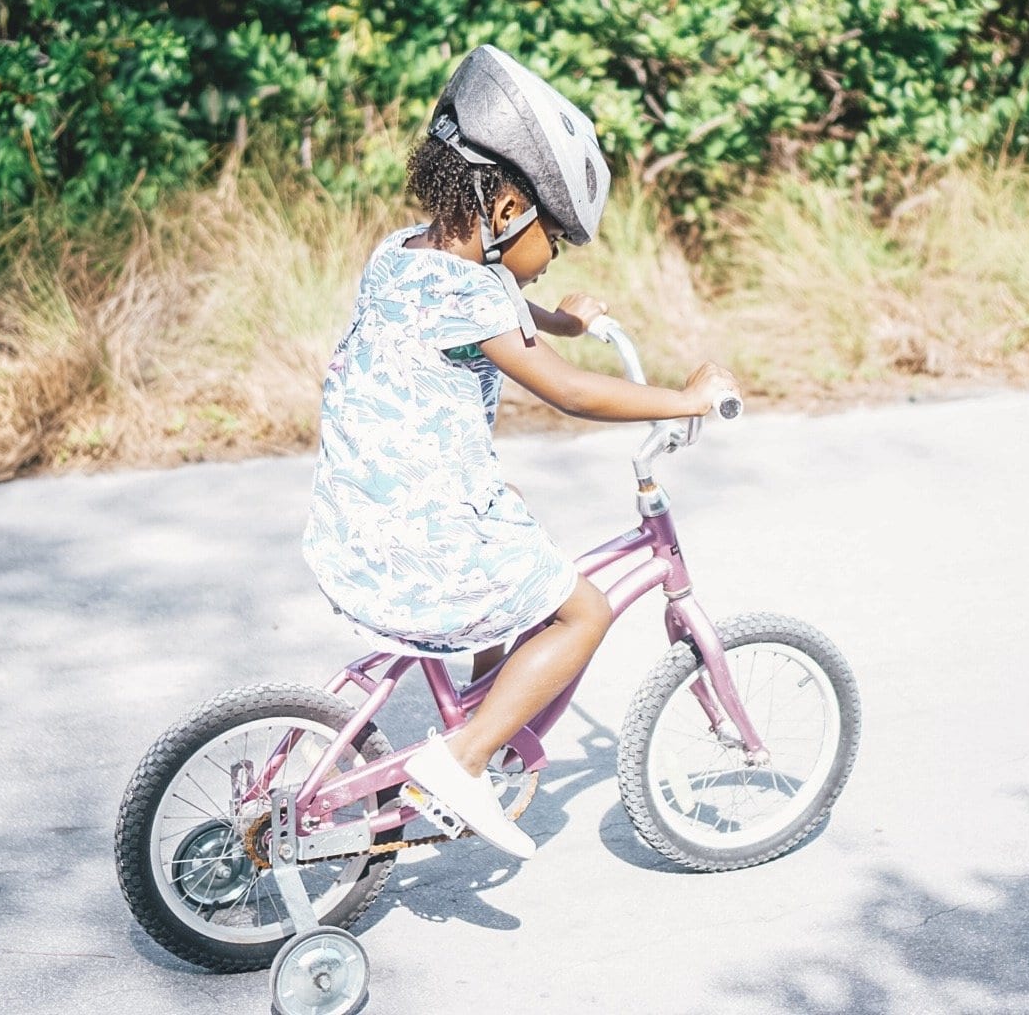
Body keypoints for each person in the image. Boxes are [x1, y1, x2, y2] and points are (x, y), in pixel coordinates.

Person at [302, 45, 737, 860]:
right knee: (583, 610)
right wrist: (685, 398)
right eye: (557, 238)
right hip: (421, 541)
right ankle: (461, 762)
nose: (558, 255)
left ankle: (472, 711)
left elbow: (499, 304)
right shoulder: (473, 292)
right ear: (505, 208)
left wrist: (564, 317)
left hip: (358, 516)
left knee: (517, 547)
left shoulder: (405, 252)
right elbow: (569, 391)